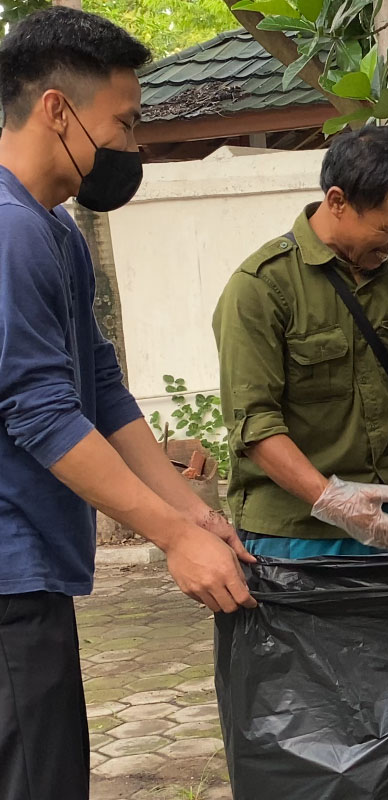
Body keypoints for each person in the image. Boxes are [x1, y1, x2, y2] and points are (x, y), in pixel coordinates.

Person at [0, 8, 256, 798]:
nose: (132, 146)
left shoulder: (54, 232)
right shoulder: (7, 232)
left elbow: (102, 392)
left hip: (30, 567)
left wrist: (189, 508)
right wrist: (174, 538)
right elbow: (40, 412)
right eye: (125, 122)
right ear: (56, 109)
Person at [213, 124, 388, 560]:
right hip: (295, 531)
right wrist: (333, 502)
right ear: (337, 201)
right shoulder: (261, 287)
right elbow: (255, 424)